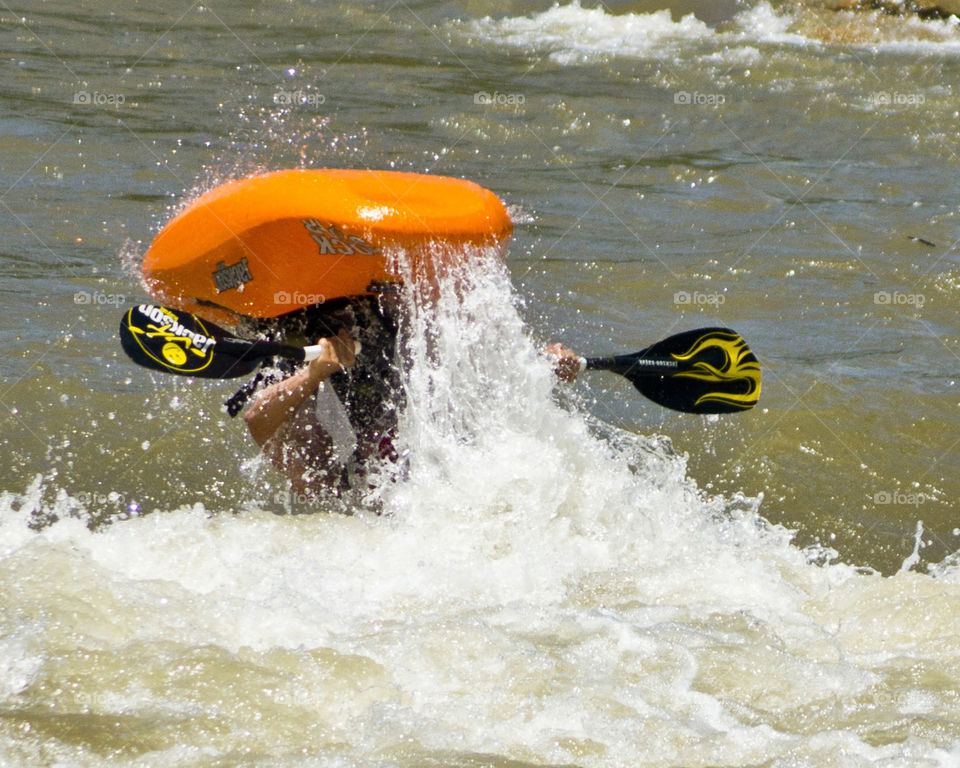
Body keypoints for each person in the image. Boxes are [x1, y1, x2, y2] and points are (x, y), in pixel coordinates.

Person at [240, 295, 401, 499]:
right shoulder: (425, 464)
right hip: (381, 329)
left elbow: (257, 419)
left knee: (304, 427)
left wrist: (312, 374)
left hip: (303, 336)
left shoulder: (322, 483)